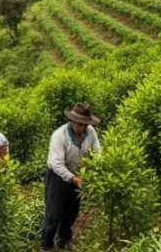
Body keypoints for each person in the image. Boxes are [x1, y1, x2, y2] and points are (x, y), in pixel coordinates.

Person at [42, 103, 101, 250]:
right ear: (72, 121)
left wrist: (97, 167)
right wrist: (73, 179)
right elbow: (56, 164)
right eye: (79, 124)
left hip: (78, 175)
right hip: (57, 176)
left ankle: (63, 239)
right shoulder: (59, 136)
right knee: (54, 214)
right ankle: (46, 244)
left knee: (72, 211)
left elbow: (97, 151)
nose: (82, 127)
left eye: (85, 125)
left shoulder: (90, 132)